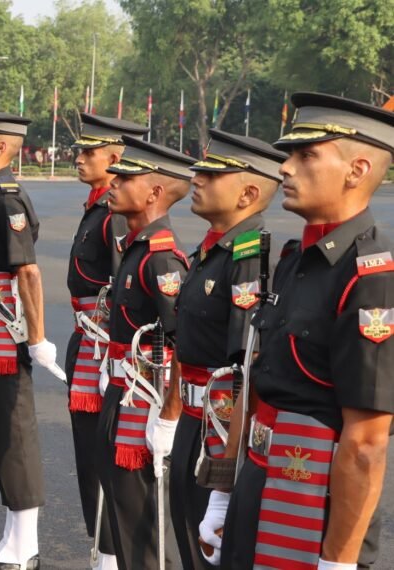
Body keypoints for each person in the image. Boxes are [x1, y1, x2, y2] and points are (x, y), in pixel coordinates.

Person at [199, 93, 394, 569]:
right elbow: (258, 380)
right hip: (258, 483)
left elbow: (366, 443)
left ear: (357, 170)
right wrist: (224, 493)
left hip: (313, 506)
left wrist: (339, 562)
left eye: (305, 156)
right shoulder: (293, 260)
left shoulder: (370, 278)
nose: (285, 168)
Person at [160, 130, 285, 570]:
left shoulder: (246, 254)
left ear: (249, 192)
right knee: (188, 541)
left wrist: (224, 482)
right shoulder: (211, 251)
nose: (197, 178)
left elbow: (243, 371)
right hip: (194, 424)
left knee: (208, 549)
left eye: (212, 173)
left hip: (218, 431)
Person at [0, 110, 65, 570]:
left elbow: (28, 272)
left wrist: (37, 338)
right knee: (0, 428)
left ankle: (25, 549)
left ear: (1, 147)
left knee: (16, 431)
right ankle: (9, 540)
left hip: (7, 327)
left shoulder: (7, 199)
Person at [96, 136, 194, 570]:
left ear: (154, 193)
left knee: (146, 527)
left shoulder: (161, 260)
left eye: (126, 177)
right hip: (122, 389)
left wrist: (168, 417)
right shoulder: (135, 249)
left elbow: (180, 346)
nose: (113, 182)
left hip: (147, 402)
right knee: (123, 513)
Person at [64, 113, 148, 570]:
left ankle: (111, 557)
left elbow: (123, 290)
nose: (78, 159)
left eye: (88, 153)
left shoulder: (113, 216)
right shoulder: (96, 207)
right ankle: (102, 552)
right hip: (88, 341)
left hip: (105, 350)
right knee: (88, 456)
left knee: (105, 461)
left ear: (115, 159)